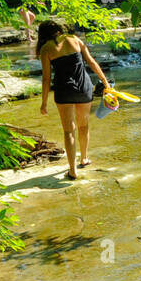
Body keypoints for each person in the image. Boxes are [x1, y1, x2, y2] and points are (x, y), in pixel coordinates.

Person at [36, 18, 111, 180]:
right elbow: (91, 62)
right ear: (58, 29)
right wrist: (105, 82)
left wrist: (44, 103)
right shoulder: (74, 39)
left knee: (69, 131)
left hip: (63, 91)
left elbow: (46, 79)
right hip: (84, 88)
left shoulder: (46, 49)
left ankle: (72, 170)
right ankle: (84, 158)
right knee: (83, 125)